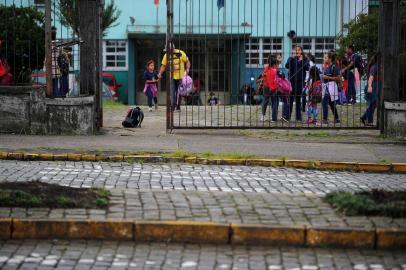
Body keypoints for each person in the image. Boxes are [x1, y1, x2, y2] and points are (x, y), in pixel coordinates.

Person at [158, 43, 190, 111]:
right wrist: (160, 73)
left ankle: (178, 105)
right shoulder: (166, 55)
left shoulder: (181, 53)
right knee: (172, 92)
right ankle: (173, 105)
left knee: (179, 92)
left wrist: (187, 69)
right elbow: (163, 65)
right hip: (171, 77)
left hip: (181, 76)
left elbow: (187, 61)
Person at [285, 46, 309, 121]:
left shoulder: (305, 59)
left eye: (299, 50)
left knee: (298, 99)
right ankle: (288, 116)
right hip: (291, 81)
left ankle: (298, 117)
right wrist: (292, 58)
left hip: (300, 82)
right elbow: (287, 66)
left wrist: (301, 61)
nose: (297, 51)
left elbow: (307, 68)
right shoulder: (291, 58)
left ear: (301, 51)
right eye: (296, 50)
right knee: (290, 99)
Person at [321, 52, 341, 124]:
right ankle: (337, 118)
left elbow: (338, 78)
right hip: (326, 86)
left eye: (326, 58)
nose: (324, 59)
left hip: (331, 86)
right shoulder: (326, 67)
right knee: (331, 103)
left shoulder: (334, 67)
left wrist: (327, 77)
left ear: (330, 59)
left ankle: (325, 119)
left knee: (324, 102)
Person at [361, 54, 379, 126]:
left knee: (373, 104)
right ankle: (369, 121)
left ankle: (364, 117)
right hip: (372, 87)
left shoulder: (378, 66)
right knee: (373, 104)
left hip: (376, 87)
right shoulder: (374, 67)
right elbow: (371, 77)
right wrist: (369, 87)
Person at [261, 54, 279, 122]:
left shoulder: (266, 68)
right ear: (274, 63)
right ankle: (274, 118)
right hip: (274, 88)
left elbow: (263, 75)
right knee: (274, 102)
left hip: (266, 87)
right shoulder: (275, 70)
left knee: (265, 101)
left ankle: (263, 116)